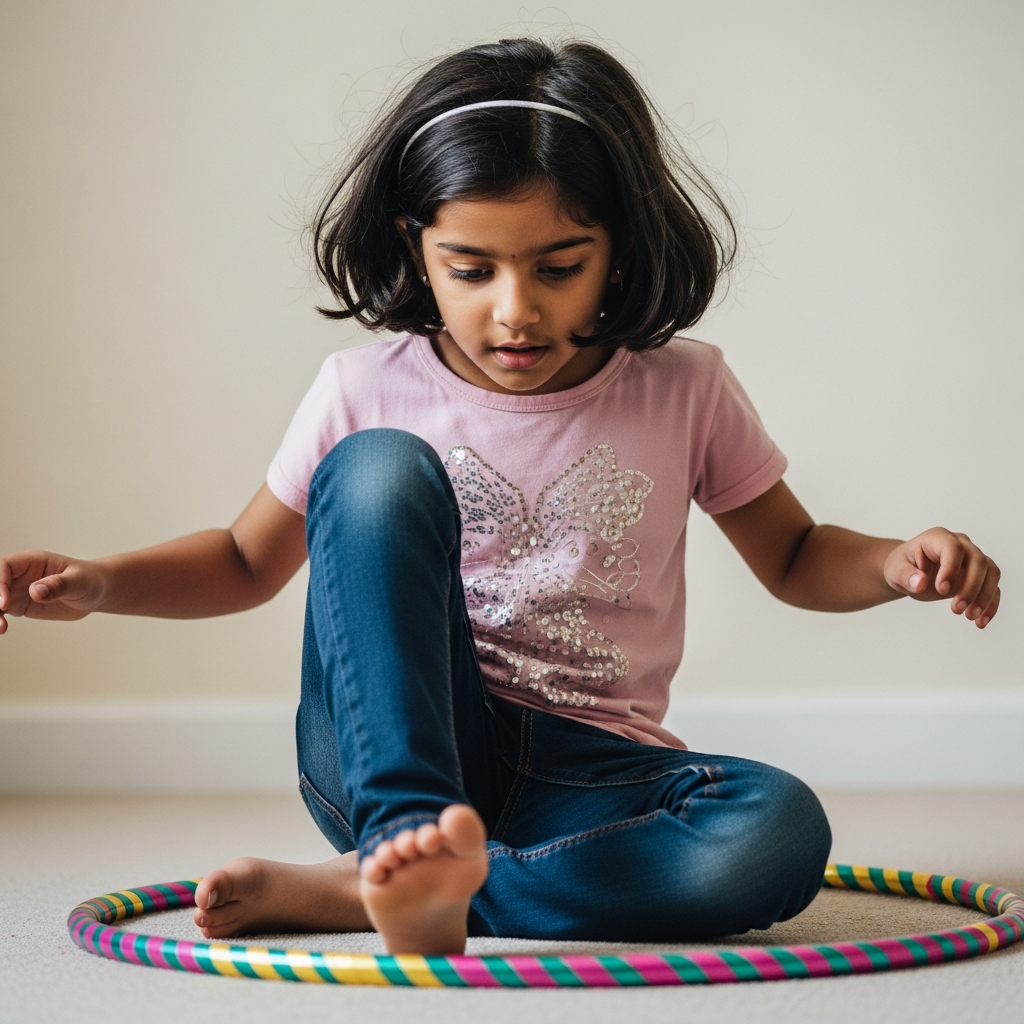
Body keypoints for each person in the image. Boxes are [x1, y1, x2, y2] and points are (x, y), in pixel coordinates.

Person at [0, 38, 1001, 957]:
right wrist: (100, 583)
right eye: (469, 269)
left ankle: (379, 892)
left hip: (591, 773)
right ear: (415, 243)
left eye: (558, 267)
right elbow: (243, 560)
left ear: (617, 245)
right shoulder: (365, 387)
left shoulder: (683, 385)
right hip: (399, 743)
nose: (514, 310)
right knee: (379, 464)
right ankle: (403, 841)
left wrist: (889, 563)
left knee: (776, 832)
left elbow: (792, 555)